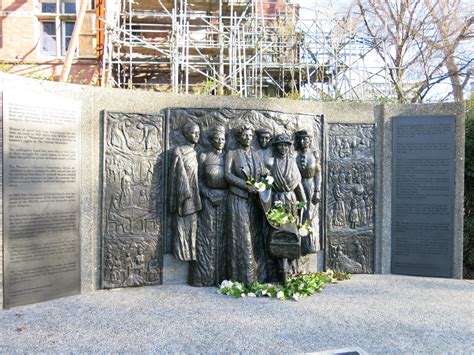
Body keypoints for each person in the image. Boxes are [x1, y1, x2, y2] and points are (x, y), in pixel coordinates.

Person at [224, 123, 265, 285]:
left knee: (254, 237)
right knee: (242, 237)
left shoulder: (256, 155)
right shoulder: (232, 153)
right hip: (238, 198)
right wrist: (245, 185)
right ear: (239, 137)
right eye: (244, 135)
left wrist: (265, 182)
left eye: (250, 135)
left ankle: (256, 275)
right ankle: (242, 277)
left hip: (254, 202)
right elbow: (227, 175)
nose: (247, 138)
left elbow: (262, 173)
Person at [189, 125, 228, 286]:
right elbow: (197, 180)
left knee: (224, 237)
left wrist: (223, 194)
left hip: (225, 199)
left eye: (223, 139)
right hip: (207, 200)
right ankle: (204, 276)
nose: (220, 142)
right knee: (207, 237)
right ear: (212, 140)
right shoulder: (204, 156)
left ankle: (223, 276)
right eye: (217, 139)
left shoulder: (228, 156)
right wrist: (208, 194)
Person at [168, 121, 202, 261]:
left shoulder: (196, 153)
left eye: (198, 133)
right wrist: (182, 194)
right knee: (182, 228)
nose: (197, 135)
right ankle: (181, 254)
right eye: (194, 133)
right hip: (183, 197)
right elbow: (174, 176)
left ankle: (191, 254)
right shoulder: (179, 151)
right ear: (186, 134)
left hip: (195, 197)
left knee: (192, 228)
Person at [295, 130, 321, 253]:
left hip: (310, 185)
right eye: (300, 139)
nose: (302, 141)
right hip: (298, 186)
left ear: (310, 141)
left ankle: (310, 245)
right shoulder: (295, 155)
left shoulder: (314, 154)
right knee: (299, 213)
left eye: (305, 139)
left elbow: (318, 174)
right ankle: (298, 244)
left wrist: (317, 190)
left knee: (310, 215)